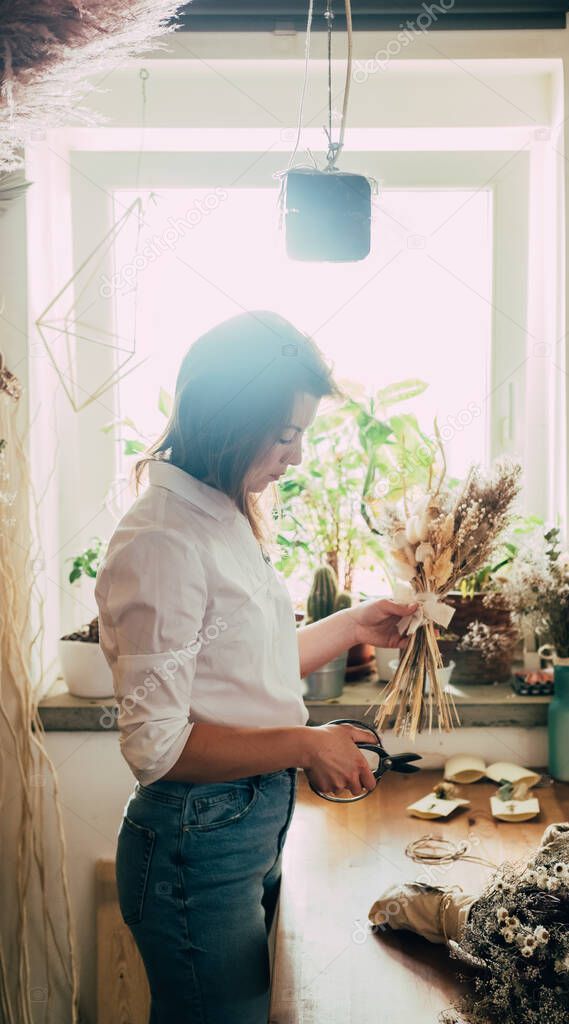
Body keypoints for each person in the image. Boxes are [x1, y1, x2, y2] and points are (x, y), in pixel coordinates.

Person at [95, 311, 417, 1024]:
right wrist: (309, 744)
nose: (296, 457)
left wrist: (352, 625)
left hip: (237, 825)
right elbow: (157, 748)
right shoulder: (162, 542)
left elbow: (247, 674)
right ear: (228, 419)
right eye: (285, 434)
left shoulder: (220, 515)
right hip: (193, 843)